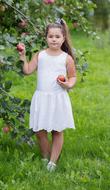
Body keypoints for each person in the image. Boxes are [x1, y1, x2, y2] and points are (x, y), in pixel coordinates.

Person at [17, 20, 77, 171]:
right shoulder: (40, 55)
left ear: (63, 38)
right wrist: (23, 57)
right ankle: (45, 157)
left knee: (57, 130)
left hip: (57, 98)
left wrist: (68, 84)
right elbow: (28, 70)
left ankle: (53, 162)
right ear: (46, 38)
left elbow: (73, 77)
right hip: (42, 98)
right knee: (39, 131)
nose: (54, 39)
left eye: (57, 36)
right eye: (51, 36)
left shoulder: (66, 58)